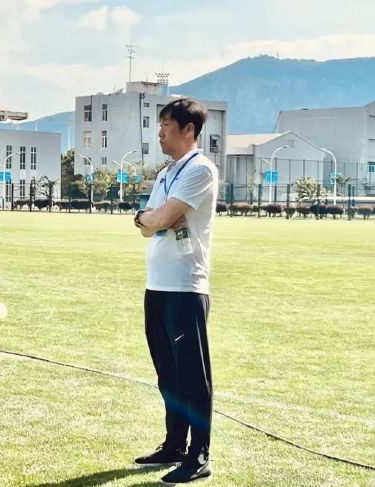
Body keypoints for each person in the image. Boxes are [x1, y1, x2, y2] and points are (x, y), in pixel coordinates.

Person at [132, 98, 218, 484]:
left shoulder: (200, 169)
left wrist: (157, 217)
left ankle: (199, 454)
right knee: (167, 372)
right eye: (159, 124)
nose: (160, 131)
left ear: (189, 130)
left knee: (192, 375)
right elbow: (149, 225)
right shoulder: (167, 173)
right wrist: (150, 217)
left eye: (167, 124)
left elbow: (164, 217)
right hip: (158, 285)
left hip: (186, 285)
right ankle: (173, 445)